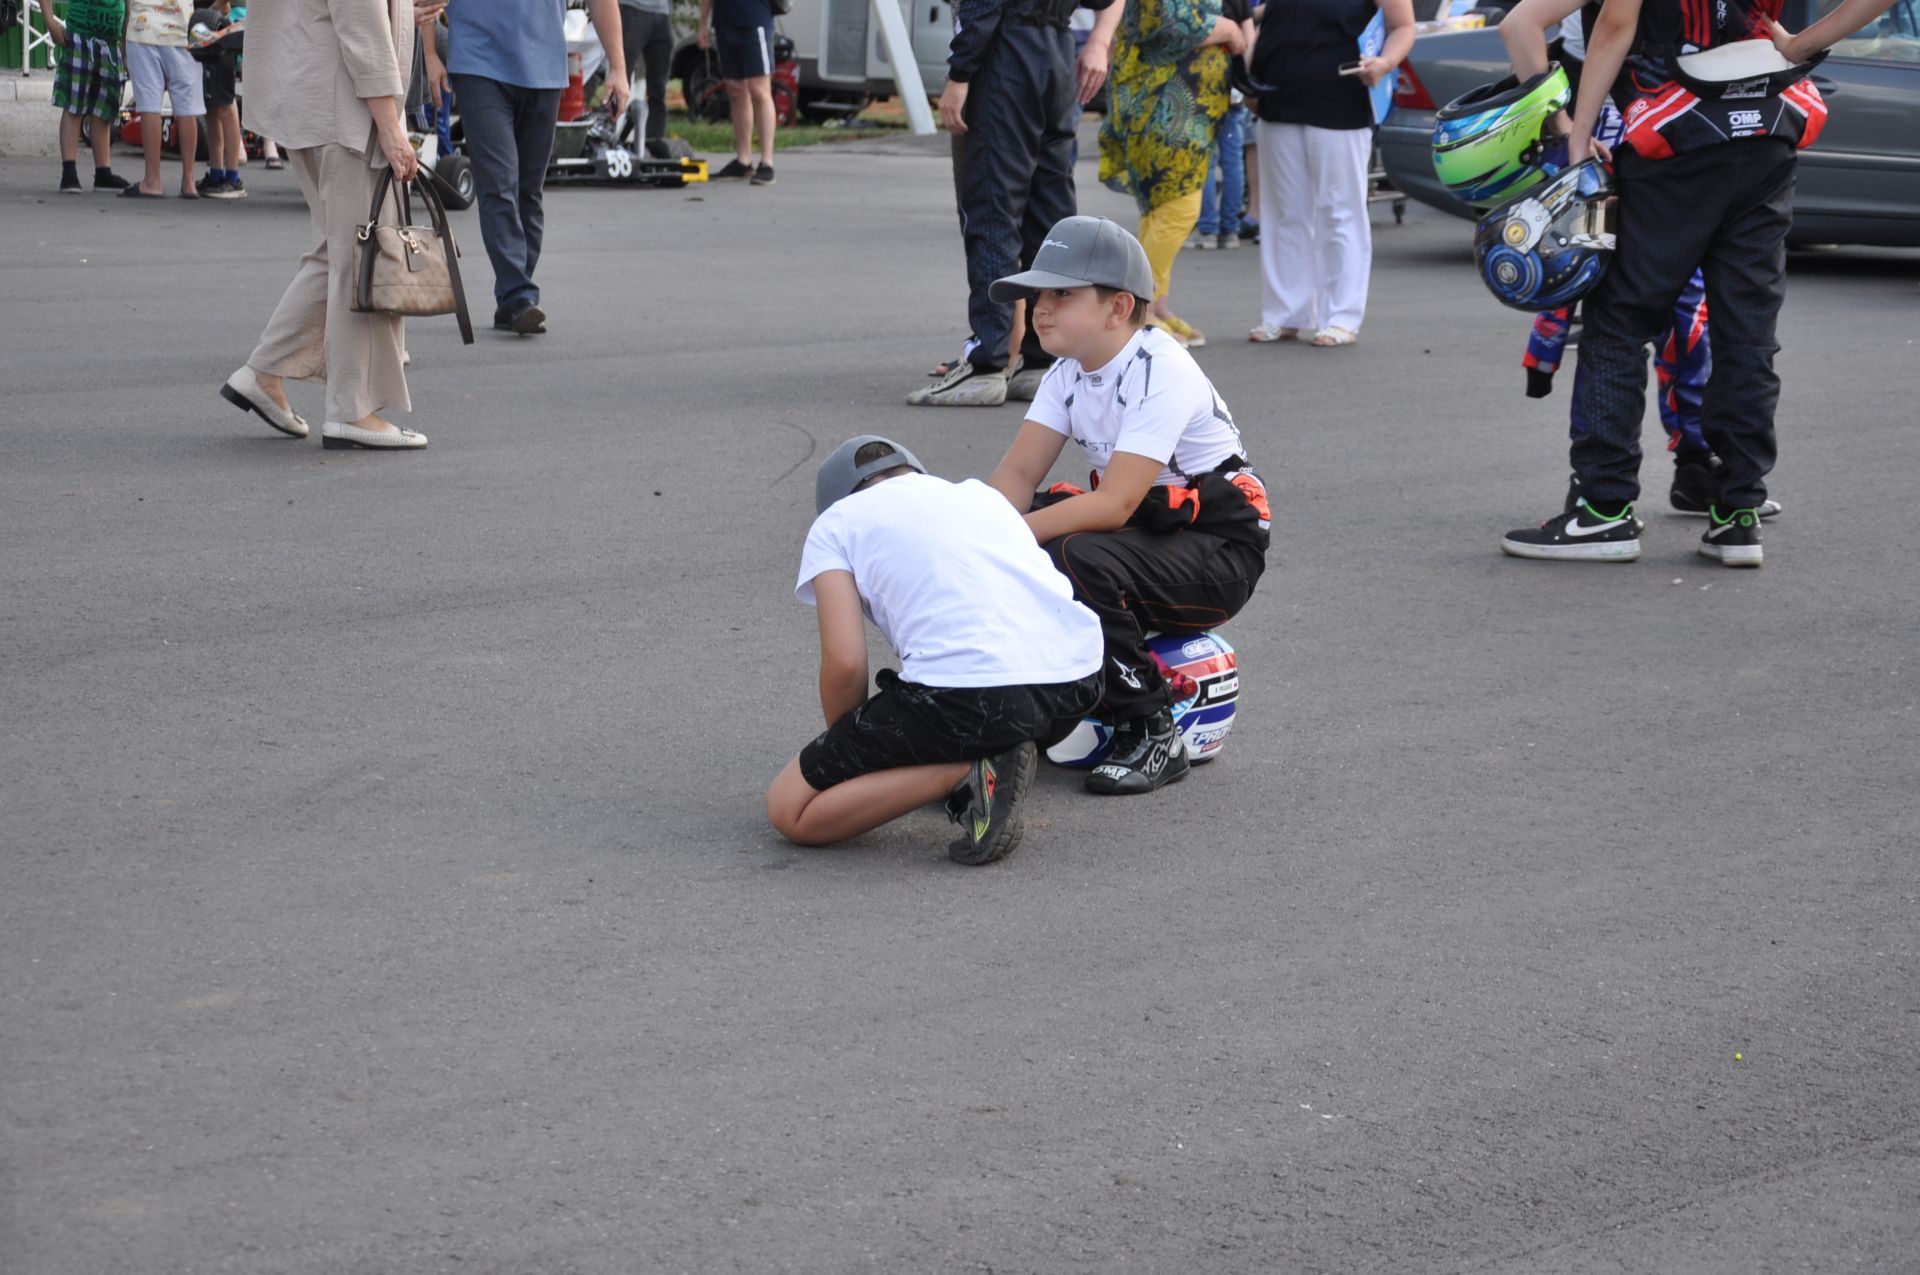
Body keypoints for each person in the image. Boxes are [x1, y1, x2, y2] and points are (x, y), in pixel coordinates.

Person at [1504, 0, 1891, 566]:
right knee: (1747, 328)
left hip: (1673, 137)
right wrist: (1799, 44)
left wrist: (1577, 134)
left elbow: (1605, 22)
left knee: (1619, 317)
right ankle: (1738, 513)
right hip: (1769, 126)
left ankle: (1604, 509)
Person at [986, 216, 1270, 796]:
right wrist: (973, 534)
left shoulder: (1159, 367)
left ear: (1118, 308)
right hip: (1155, 528)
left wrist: (1008, 538)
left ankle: (1151, 725)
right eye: (1039, 294)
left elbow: (1113, 504)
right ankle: (1044, 696)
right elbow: (1017, 474)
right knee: (1019, 530)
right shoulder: (1067, 372)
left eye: (1062, 294)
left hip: (1220, 551)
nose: (1041, 307)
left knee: (1071, 553)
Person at [766, 437, 1105, 865]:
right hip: (1077, 682)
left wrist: (852, 753)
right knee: (988, 709)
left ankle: (969, 768)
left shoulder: (835, 523)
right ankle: (998, 747)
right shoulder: (981, 496)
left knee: (789, 808)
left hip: (974, 697)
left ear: (834, 500)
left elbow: (845, 662)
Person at [219, 0, 436, 451]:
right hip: (346, 110)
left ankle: (264, 372)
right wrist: (391, 126)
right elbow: (360, 22)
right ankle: (351, 410)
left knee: (339, 252)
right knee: (363, 258)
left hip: (310, 96)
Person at [909, 0, 1103, 408]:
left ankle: (987, 362)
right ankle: (1041, 355)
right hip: (1057, 51)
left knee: (993, 207)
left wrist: (960, 73)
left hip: (1006, 55)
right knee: (1049, 213)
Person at [424, 0, 629, 336]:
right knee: (499, 183)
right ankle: (518, 293)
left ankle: (512, 297)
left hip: (544, 67)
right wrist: (430, 54)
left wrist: (618, 68)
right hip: (478, 63)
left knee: (528, 192)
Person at [1244, 0, 1412, 346]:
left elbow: (1403, 26)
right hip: (1277, 96)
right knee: (1284, 211)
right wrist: (1248, 77)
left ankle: (1342, 316)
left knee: (1340, 210)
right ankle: (1284, 312)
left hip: (1341, 99)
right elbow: (1267, 22)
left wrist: (1385, 62)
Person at [1098, 0, 1245, 348]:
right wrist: (1230, 29)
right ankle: (1138, 310)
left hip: (1175, 105)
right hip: (1161, 103)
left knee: (1159, 209)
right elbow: (1170, 21)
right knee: (1178, 209)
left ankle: (1154, 305)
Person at [43, 0, 131, 193]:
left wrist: (125, 48)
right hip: (79, 38)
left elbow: (129, 5)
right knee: (74, 106)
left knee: (103, 110)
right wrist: (50, 22)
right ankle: (69, 173)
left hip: (111, 41)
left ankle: (103, 173)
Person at [120, 0, 203, 199]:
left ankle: (152, 180)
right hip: (182, 30)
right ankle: (189, 181)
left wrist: (123, 42)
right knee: (186, 108)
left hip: (144, 27)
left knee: (149, 106)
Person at [698, 0, 778, 186]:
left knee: (759, 90)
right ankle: (743, 161)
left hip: (755, 17)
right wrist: (703, 24)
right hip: (725, 21)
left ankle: (767, 163)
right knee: (735, 89)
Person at [189, 0, 245, 199]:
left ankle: (233, 178)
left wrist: (210, 12)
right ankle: (216, 173)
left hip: (218, 30)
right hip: (201, 31)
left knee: (225, 105)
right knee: (211, 108)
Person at [618, 0, 673, 156]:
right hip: (632, 9)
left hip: (662, 13)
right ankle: (609, 137)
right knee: (621, 79)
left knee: (659, 87)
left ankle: (654, 141)